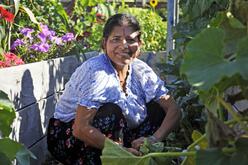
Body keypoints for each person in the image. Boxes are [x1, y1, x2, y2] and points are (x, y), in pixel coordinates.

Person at [47, 13, 181, 165]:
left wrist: (153, 139)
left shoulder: (141, 70)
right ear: (104, 43)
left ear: (139, 45)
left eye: (131, 40)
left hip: (118, 136)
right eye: (116, 39)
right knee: (111, 111)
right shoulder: (96, 72)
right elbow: (80, 128)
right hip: (70, 139)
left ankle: (137, 154)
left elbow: (174, 110)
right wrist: (121, 151)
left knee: (157, 108)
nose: (124, 45)